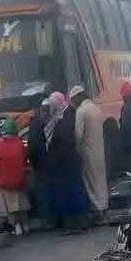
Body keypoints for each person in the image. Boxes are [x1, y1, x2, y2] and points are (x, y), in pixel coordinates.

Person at [45, 92, 89, 234]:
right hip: (65, 161)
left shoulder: (69, 114)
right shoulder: (63, 115)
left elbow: (66, 138)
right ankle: (76, 223)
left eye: (52, 105)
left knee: (73, 191)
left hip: (67, 161)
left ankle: (78, 223)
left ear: (57, 103)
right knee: (71, 191)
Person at [68, 85, 108, 223]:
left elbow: (78, 135)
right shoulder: (95, 108)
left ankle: (98, 212)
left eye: (72, 100)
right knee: (100, 181)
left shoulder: (82, 111)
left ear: (77, 98)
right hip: (100, 151)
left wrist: (75, 150)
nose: (72, 103)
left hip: (87, 152)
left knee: (91, 182)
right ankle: (104, 207)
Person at [0, 119, 30, 235]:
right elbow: (25, 161)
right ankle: (26, 224)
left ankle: (16, 226)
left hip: (4, 181)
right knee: (22, 202)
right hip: (20, 180)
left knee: (10, 205)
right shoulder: (20, 144)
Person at [28, 97, 51, 223]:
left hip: (40, 162)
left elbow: (33, 145)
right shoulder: (49, 119)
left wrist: (32, 159)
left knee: (42, 190)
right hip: (48, 160)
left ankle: (47, 218)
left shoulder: (35, 122)